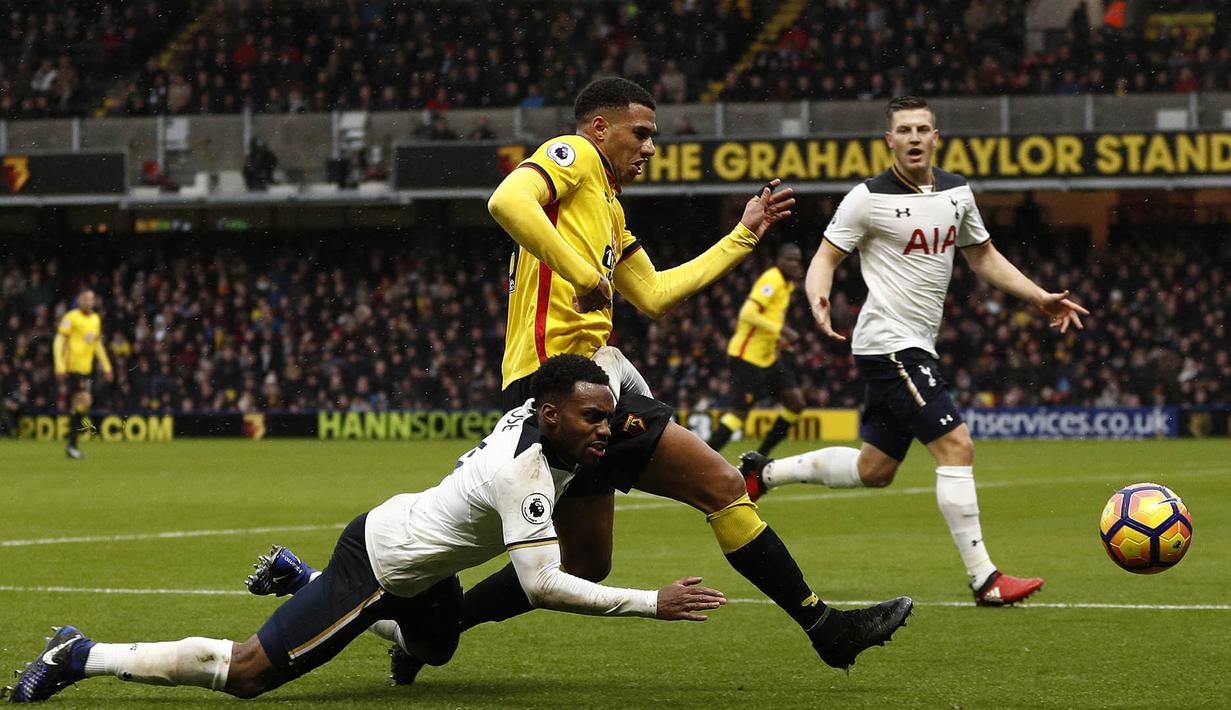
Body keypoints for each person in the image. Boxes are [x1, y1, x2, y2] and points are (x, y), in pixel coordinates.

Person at [381, 76, 911, 684]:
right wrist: (581, 271)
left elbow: (655, 296)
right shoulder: (573, 155)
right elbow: (506, 201)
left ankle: (423, 638)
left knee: (586, 560)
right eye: (642, 133)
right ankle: (827, 629)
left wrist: (743, 235)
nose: (650, 147)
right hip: (562, 389)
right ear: (599, 128)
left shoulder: (608, 207)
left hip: (571, 389)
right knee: (720, 484)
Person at [3, 355, 729, 703]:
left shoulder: (550, 416)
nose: (607, 430)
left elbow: (609, 368)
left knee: (433, 650)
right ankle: (81, 654)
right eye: (593, 419)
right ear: (548, 417)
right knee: (249, 673)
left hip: (421, 563)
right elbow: (540, 583)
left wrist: (638, 403)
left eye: (608, 416)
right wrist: (650, 603)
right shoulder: (525, 474)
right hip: (380, 559)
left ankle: (301, 579)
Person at [738, 96, 1090, 606]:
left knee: (874, 471)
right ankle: (985, 579)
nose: (915, 137)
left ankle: (761, 472)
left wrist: (1037, 296)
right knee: (956, 446)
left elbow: (983, 255)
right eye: (905, 130)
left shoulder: (956, 193)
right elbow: (825, 257)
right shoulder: (866, 198)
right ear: (889, 141)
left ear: (936, 136)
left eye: (923, 128)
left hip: (916, 344)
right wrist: (817, 294)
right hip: (889, 344)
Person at [706, 243, 807, 456]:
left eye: (797, 260)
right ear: (778, 261)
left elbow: (766, 318)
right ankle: (702, 457)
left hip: (767, 358)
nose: (794, 264)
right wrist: (782, 330)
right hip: (747, 356)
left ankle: (761, 457)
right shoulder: (772, 279)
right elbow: (747, 313)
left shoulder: (787, 285)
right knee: (739, 415)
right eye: (789, 259)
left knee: (796, 403)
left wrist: (777, 339)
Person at [53, 289, 113, 459]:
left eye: (91, 299)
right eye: (85, 298)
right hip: (72, 368)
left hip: (86, 370)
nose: (88, 302)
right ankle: (72, 443)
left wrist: (107, 366)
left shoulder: (95, 319)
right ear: (79, 300)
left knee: (79, 406)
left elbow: (97, 345)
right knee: (85, 399)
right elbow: (59, 341)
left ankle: (71, 445)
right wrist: (59, 365)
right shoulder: (70, 318)